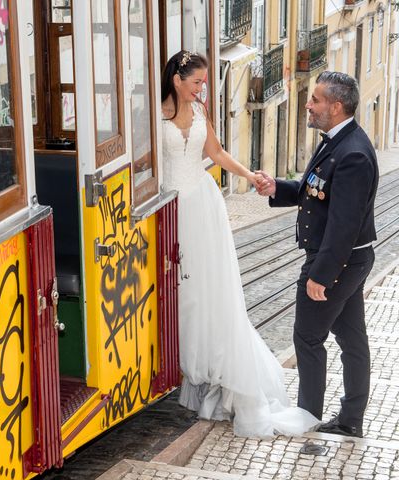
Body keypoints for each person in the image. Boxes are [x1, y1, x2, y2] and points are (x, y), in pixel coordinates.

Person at [162, 50, 319, 437]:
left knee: (209, 288)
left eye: (204, 83)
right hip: (170, 207)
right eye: (197, 82)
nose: (202, 89)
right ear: (177, 80)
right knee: (183, 289)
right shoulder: (154, 114)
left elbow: (215, 153)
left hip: (202, 205)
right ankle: (187, 363)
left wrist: (252, 177)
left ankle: (214, 370)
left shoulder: (200, 114)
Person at [256, 71, 378, 437]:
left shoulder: (353, 153)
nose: (308, 105)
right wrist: (276, 186)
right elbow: (315, 191)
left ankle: (307, 416)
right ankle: (350, 420)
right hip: (347, 260)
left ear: (336, 107)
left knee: (308, 337)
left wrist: (321, 276)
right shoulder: (336, 141)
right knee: (352, 339)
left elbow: (344, 226)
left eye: (316, 100)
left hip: (337, 261)